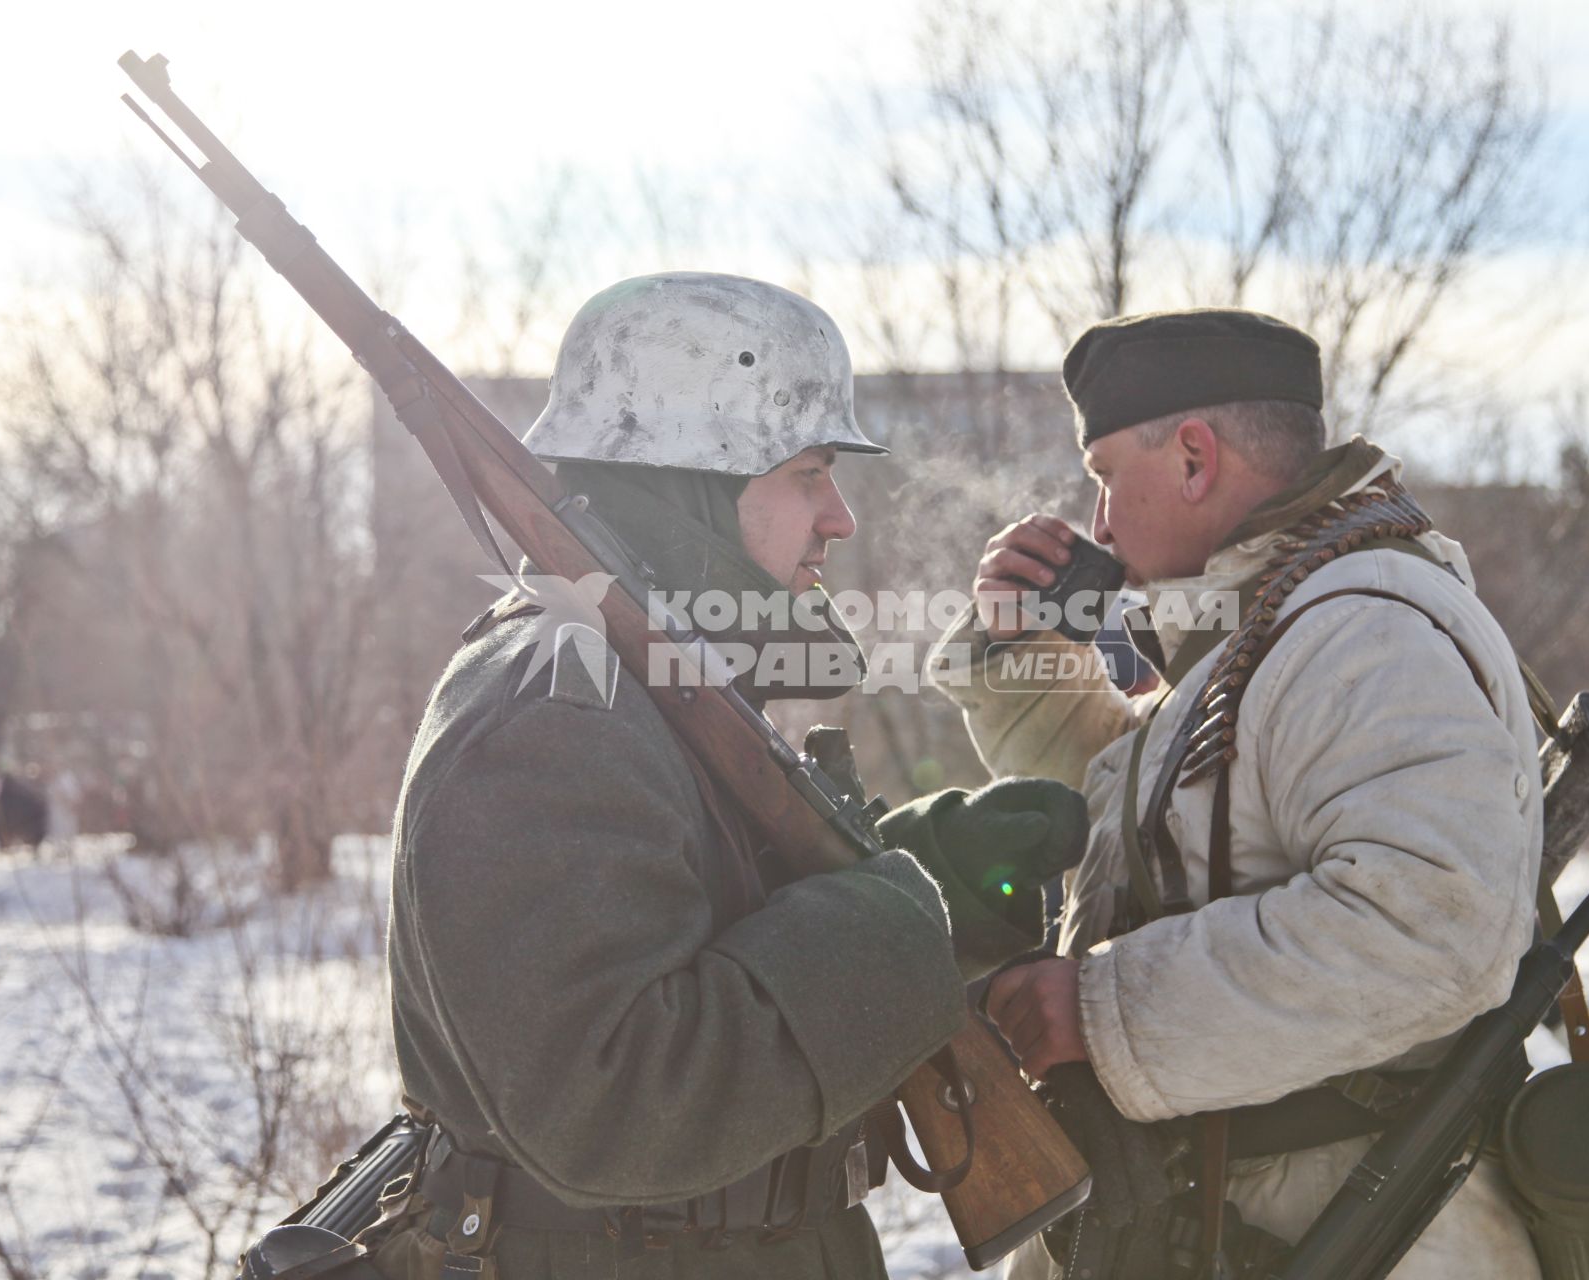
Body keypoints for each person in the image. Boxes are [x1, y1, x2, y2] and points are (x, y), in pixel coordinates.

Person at [375, 272, 1084, 1280]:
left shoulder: (652, 682)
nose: (838, 517)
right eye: (807, 472)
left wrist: (925, 871)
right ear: (692, 484)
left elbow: (706, 914)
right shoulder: (553, 708)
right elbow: (609, 1098)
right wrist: (888, 928)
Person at [930, 308, 1545, 1278]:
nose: (1097, 524)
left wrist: (1102, 1009)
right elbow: (1146, 821)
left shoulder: (1359, 629)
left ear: (1190, 457)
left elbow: (1429, 924)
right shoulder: (1279, 623)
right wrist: (1020, 654)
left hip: (1347, 1240)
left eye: (1104, 480)